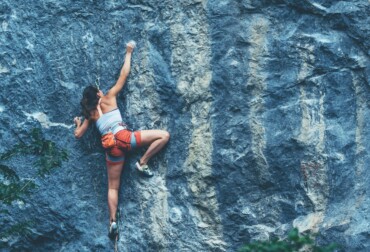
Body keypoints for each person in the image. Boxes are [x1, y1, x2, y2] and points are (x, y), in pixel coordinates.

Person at [73, 41, 170, 239]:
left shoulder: (90, 115)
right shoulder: (109, 97)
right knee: (164, 135)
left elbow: (78, 135)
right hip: (125, 138)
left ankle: (113, 222)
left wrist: (77, 122)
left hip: (112, 150)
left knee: (112, 187)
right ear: (98, 94)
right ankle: (142, 163)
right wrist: (128, 52)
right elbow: (124, 75)